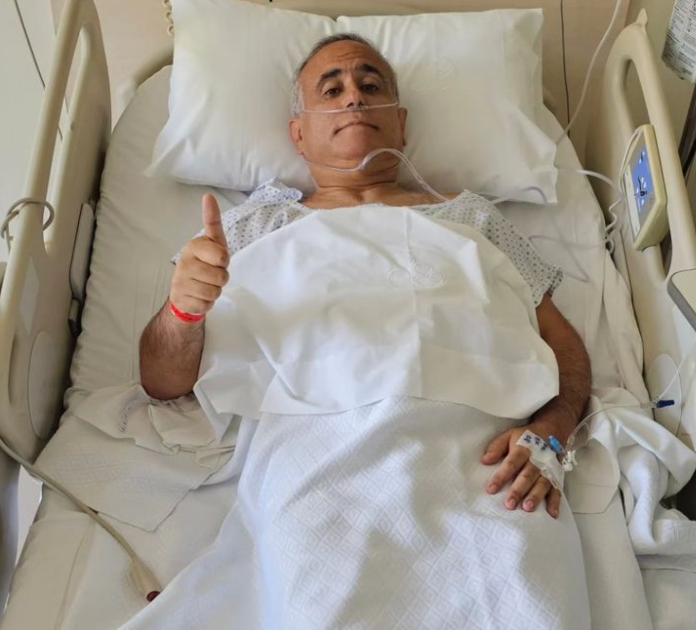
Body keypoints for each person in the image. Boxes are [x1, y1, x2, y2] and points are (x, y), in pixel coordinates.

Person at [139, 33, 591, 519]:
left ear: (401, 125)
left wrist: (553, 429)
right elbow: (162, 383)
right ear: (299, 134)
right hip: (311, 459)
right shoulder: (254, 225)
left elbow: (560, 339)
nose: (354, 97)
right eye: (332, 90)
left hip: (489, 466)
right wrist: (184, 312)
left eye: (371, 86)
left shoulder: (473, 217)